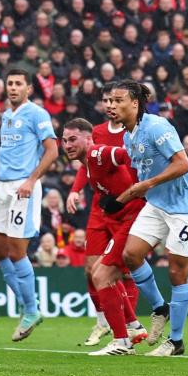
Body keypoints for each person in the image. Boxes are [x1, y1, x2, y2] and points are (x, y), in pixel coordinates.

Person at [110, 80, 188, 356]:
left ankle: (175, 342)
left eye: (118, 101)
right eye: (110, 101)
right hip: (157, 204)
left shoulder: (157, 127)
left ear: (135, 103)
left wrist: (147, 185)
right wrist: (120, 200)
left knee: (177, 272)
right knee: (131, 255)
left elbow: (183, 164)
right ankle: (160, 308)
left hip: (186, 206)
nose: (112, 106)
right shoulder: (129, 137)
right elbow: (140, 179)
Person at [61, 118, 149, 356]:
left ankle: (122, 340)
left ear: (89, 138)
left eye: (72, 139)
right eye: (64, 140)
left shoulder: (98, 153)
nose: (67, 145)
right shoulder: (87, 164)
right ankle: (132, 328)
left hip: (132, 217)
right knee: (98, 272)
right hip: (121, 218)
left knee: (102, 275)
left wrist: (138, 188)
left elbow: (127, 155)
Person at [0, 68, 58, 341]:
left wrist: (30, 180)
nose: (13, 88)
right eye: (10, 83)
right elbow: (8, 148)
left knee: (17, 252)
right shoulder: (6, 116)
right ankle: (28, 306)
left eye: (18, 84)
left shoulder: (37, 114)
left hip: (23, 188)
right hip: (2, 186)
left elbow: (52, 150)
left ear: (28, 88)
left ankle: (30, 309)